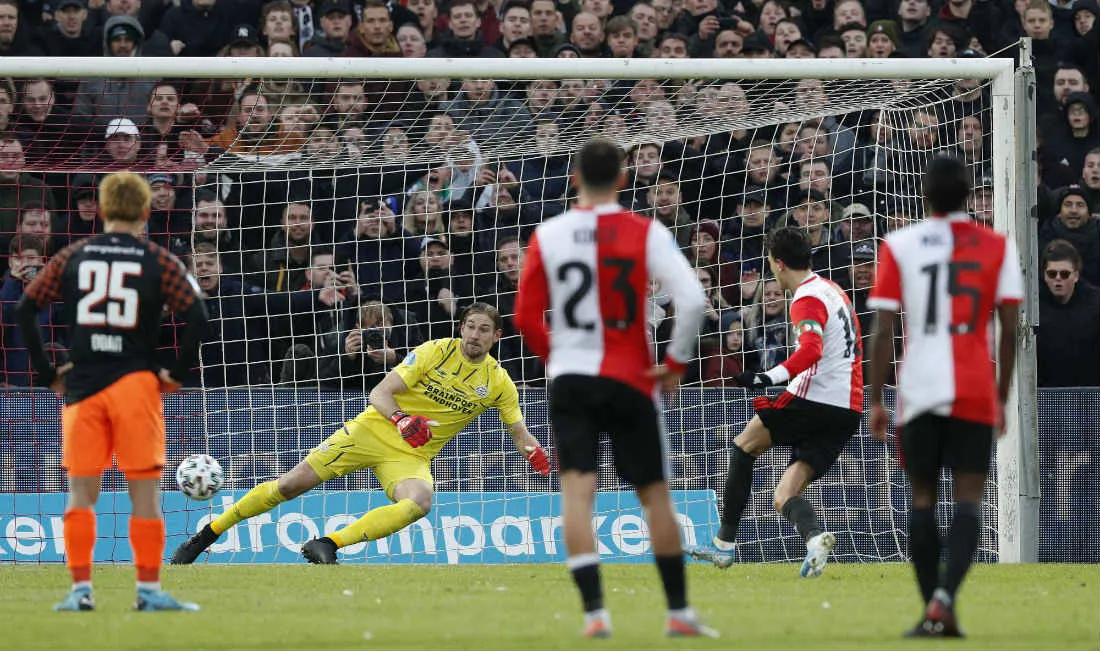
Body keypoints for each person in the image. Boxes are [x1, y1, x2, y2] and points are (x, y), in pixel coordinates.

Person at [514, 138, 714, 639]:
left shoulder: (550, 234)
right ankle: (678, 613)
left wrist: (554, 357)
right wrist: (673, 363)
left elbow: (522, 317)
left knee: (577, 492)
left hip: (572, 378)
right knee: (655, 495)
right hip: (630, 377)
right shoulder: (645, 231)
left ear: (575, 178)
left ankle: (595, 615)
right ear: (624, 180)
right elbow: (691, 301)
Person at [171, 302, 550, 565]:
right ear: (461, 327)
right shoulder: (434, 351)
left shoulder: (499, 381)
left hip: (410, 456)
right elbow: (380, 393)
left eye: (484, 330)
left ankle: (327, 544)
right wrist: (402, 419)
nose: (474, 335)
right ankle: (209, 533)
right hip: (371, 430)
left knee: (419, 501)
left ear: (496, 336)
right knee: (289, 486)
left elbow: (518, 431)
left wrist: (535, 453)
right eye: (470, 326)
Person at [14, 172, 209, 612]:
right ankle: (148, 591)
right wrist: (174, 373)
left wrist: (48, 372)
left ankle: (81, 591)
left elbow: (26, 309)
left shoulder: (73, 255)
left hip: (82, 386)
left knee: (81, 494)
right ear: (145, 212)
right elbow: (197, 316)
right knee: (145, 494)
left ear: (101, 211)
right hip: (135, 385)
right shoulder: (159, 259)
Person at [866, 155, 1022, 638]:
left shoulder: (899, 244)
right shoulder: (997, 246)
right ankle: (945, 601)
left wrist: (875, 398)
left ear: (926, 196)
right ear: (971, 195)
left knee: (922, 499)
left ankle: (930, 607)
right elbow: (1010, 330)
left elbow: (882, 329)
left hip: (918, 389)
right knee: (969, 501)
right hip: (974, 387)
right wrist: (1000, 396)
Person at [688, 227, 864, 578]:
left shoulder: (806, 298)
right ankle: (815, 539)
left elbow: (811, 350)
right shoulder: (834, 291)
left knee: (743, 447)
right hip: (849, 407)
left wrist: (765, 378)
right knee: (784, 494)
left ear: (778, 264)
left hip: (816, 397)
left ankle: (723, 545)